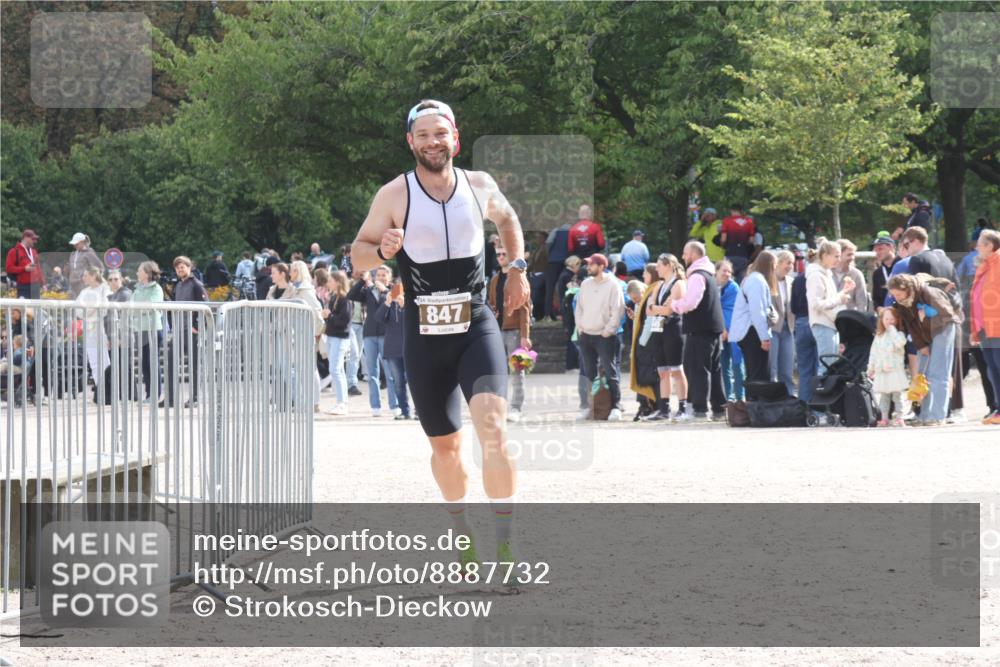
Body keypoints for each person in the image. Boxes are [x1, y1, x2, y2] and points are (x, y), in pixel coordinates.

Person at [350, 99, 528, 568]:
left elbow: (508, 219)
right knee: (446, 450)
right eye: (424, 135)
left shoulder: (479, 184)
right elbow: (357, 254)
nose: (433, 142)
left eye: (440, 133)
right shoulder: (394, 194)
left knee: (494, 430)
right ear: (411, 142)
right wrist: (382, 250)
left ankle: (505, 544)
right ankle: (463, 532)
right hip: (424, 333)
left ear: (455, 139)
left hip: (476, 323)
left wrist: (517, 269)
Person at [889, 273, 961, 427]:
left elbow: (948, 315)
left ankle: (938, 416)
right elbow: (911, 325)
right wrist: (921, 345)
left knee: (938, 373)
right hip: (925, 333)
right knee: (923, 375)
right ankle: (924, 416)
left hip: (944, 329)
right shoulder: (902, 303)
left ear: (908, 289)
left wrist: (927, 314)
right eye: (894, 295)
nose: (897, 298)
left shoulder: (929, 293)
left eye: (899, 294)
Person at [669, 241, 727, 421]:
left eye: (685, 253)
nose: (683, 257)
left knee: (697, 370)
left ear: (694, 254)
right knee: (714, 371)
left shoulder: (697, 276)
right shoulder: (709, 274)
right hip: (713, 329)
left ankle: (699, 410)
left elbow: (691, 303)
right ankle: (719, 409)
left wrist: (674, 305)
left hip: (699, 329)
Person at [574, 253, 626, 421]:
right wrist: (580, 327)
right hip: (586, 334)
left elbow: (618, 310)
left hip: (604, 336)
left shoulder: (613, 285)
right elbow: (579, 308)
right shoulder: (585, 284)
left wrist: (608, 331)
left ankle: (615, 406)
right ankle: (591, 407)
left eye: (592, 264)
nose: (588, 267)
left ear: (602, 266)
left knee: (610, 371)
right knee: (588, 373)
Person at [348, 265, 399, 417]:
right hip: (369, 334)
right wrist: (362, 280)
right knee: (372, 373)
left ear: (389, 277)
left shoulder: (396, 289)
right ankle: (375, 406)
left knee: (390, 372)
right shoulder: (369, 290)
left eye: (384, 275)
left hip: (387, 334)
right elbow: (351, 295)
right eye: (378, 275)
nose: (381, 277)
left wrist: (384, 291)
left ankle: (394, 404)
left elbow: (397, 305)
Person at [641, 253, 687, 421]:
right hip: (658, 326)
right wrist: (657, 308)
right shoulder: (659, 285)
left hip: (673, 328)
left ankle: (682, 407)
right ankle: (664, 409)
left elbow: (669, 310)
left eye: (660, 265)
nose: (657, 269)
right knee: (662, 371)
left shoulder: (678, 284)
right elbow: (649, 310)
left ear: (669, 266)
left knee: (676, 369)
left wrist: (656, 308)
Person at [488, 247, 532, 423]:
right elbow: (491, 303)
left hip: (515, 331)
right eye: (498, 254)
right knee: (497, 372)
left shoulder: (519, 278)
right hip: (496, 331)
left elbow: (525, 309)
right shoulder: (494, 280)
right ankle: (500, 407)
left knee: (517, 372)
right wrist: (492, 312)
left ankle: (516, 408)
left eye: (503, 254)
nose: (500, 257)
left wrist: (525, 335)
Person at [162, 255, 208, 408]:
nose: (180, 270)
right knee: (171, 362)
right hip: (179, 330)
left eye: (182, 267)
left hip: (192, 331)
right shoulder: (178, 285)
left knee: (194, 366)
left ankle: (194, 398)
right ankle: (170, 398)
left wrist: (198, 327)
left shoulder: (196, 285)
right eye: (177, 268)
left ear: (189, 267)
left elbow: (205, 307)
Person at [806, 239, 854, 373]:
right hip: (823, 324)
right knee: (826, 366)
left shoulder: (826, 274)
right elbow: (816, 304)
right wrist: (839, 299)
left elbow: (829, 299)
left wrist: (844, 292)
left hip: (830, 324)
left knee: (831, 365)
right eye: (836, 256)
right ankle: (822, 387)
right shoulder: (816, 276)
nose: (839, 260)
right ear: (825, 255)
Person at [730, 251, 777, 384]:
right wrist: (764, 338)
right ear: (769, 265)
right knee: (759, 377)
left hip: (751, 331)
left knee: (754, 374)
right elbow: (757, 311)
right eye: (775, 265)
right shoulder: (757, 281)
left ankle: (752, 397)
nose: (775, 269)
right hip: (753, 332)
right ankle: (756, 398)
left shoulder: (754, 279)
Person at [288, 260, 328, 413]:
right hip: (298, 333)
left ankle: (315, 402)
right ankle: (306, 401)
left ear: (297, 272)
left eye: (292, 270)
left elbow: (317, 312)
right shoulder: (297, 289)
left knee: (309, 369)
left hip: (306, 333)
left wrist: (316, 332)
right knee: (301, 369)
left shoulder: (305, 290)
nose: (290, 273)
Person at [970, 229, 1000, 425]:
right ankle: (998, 409)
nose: (976, 247)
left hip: (997, 326)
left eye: (980, 244)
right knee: (992, 369)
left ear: (990, 246)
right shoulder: (985, 266)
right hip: (985, 327)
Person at [868, 307, 909, 427]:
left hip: (895, 371)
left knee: (898, 395)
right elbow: (873, 353)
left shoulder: (899, 334)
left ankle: (900, 417)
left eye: (892, 319)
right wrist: (871, 368)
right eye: (886, 319)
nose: (889, 321)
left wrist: (893, 330)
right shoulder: (879, 336)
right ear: (881, 320)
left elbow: (900, 343)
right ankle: (884, 418)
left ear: (897, 320)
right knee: (884, 396)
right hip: (882, 371)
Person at [377, 280, 412, 420]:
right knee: (398, 382)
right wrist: (387, 303)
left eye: (400, 289)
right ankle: (405, 411)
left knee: (414, 382)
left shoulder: (412, 303)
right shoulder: (389, 305)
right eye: (395, 289)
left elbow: (416, 320)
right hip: (392, 349)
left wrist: (404, 306)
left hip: (410, 349)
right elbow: (378, 318)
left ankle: (419, 412)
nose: (397, 293)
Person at [321, 270, 354, 416]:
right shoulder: (334, 297)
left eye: (330, 280)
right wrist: (327, 316)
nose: (328, 283)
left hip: (340, 337)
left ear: (338, 282)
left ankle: (342, 404)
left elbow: (345, 321)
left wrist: (330, 315)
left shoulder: (345, 298)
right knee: (337, 370)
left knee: (335, 370)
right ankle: (342, 402)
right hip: (332, 336)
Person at [131, 261, 165, 401]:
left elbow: (151, 306)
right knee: (145, 364)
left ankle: (155, 394)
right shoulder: (137, 289)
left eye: (139, 270)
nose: (137, 273)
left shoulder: (156, 288)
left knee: (152, 362)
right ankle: (149, 394)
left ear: (147, 273)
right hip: (140, 329)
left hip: (153, 329)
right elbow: (131, 307)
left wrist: (138, 309)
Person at [76, 267, 111, 391]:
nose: (83, 278)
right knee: (93, 360)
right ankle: (99, 387)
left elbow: (105, 308)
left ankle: (108, 388)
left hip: (101, 328)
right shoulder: (84, 291)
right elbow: (78, 310)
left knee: (104, 360)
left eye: (86, 275)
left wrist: (89, 310)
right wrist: (92, 310)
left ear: (93, 276)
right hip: (89, 328)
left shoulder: (105, 289)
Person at [716, 260, 745, 402]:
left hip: (734, 331)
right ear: (716, 271)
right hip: (718, 332)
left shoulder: (734, 288)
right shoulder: (712, 287)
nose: (727, 274)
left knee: (737, 365)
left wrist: (727, 329)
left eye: (729, 271)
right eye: (724, 270)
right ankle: (728, 398)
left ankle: (740, 397)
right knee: (723, 366)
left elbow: (735, 311)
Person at [791, 250, 818, 403]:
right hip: (818, 321)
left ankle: (803, 404)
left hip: (801, 322)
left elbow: (793, 307)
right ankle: (818, 404)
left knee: (804, 369)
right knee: (820, 366)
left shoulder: (798, 279)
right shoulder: (821, 277)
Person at [770, 249, 796, 395]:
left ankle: (789, 397)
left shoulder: (791, 282)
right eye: (788, 263)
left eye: (792, 263)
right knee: (772, 368)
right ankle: (772, 399)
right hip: (772, 328)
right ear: (779, 263)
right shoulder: (768, 280)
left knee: (787, 368)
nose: (791, 266)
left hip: (788, 328)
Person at [720, 204, 756, 282]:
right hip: (743, 255)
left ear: (731, 210)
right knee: (741, 280)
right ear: (741, 211)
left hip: (730, 254)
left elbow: (723, 239)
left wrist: (723, 246)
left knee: (728, 279)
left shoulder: (726, 221)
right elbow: (751, 241)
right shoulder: (749, 222)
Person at [544, 221, 572, 319]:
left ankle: (548, 314)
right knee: (566, 287)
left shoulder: (555, 231)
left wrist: (550, 254)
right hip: (566, 262)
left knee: (550, 288)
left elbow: (548, 243)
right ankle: (565, 312)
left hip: (553, 261)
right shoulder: (572, 232)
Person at [833, 240, 870, 312]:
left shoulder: (856, 274)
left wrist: (859, 317)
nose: (852, 258)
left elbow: (862, 302)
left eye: (853, 255)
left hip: (849, 315)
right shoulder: (827, 272)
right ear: (839, 255)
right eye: (849, 255)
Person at [5, 230, 43, 299]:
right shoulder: (14, 251)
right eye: (33, 239)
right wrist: (24, 268)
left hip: (35, 287)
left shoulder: (34, 252)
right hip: (23, 287)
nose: (35, 241)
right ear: (26, 238)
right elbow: (9, 268)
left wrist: (43, 283)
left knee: (35, 306)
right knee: (24, 306)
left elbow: (38, 269)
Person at [65, 232, 103, 298]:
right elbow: (71, 271)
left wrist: (92, 281)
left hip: (85, 286)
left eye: (77, 244)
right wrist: (67, 269)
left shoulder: (89, 253)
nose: (74, 245)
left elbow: (99, 268)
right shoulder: (73, 254)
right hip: (73, 287)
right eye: (74, 244)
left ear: (82, 242)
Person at [871, 236, 897, 308]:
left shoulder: (903, 266)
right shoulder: (877, 273)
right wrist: (879, 309)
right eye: (875, 250)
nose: (877, 253)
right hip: (885, 313)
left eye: (880, 249)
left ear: (891, 247)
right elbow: (876, 298)